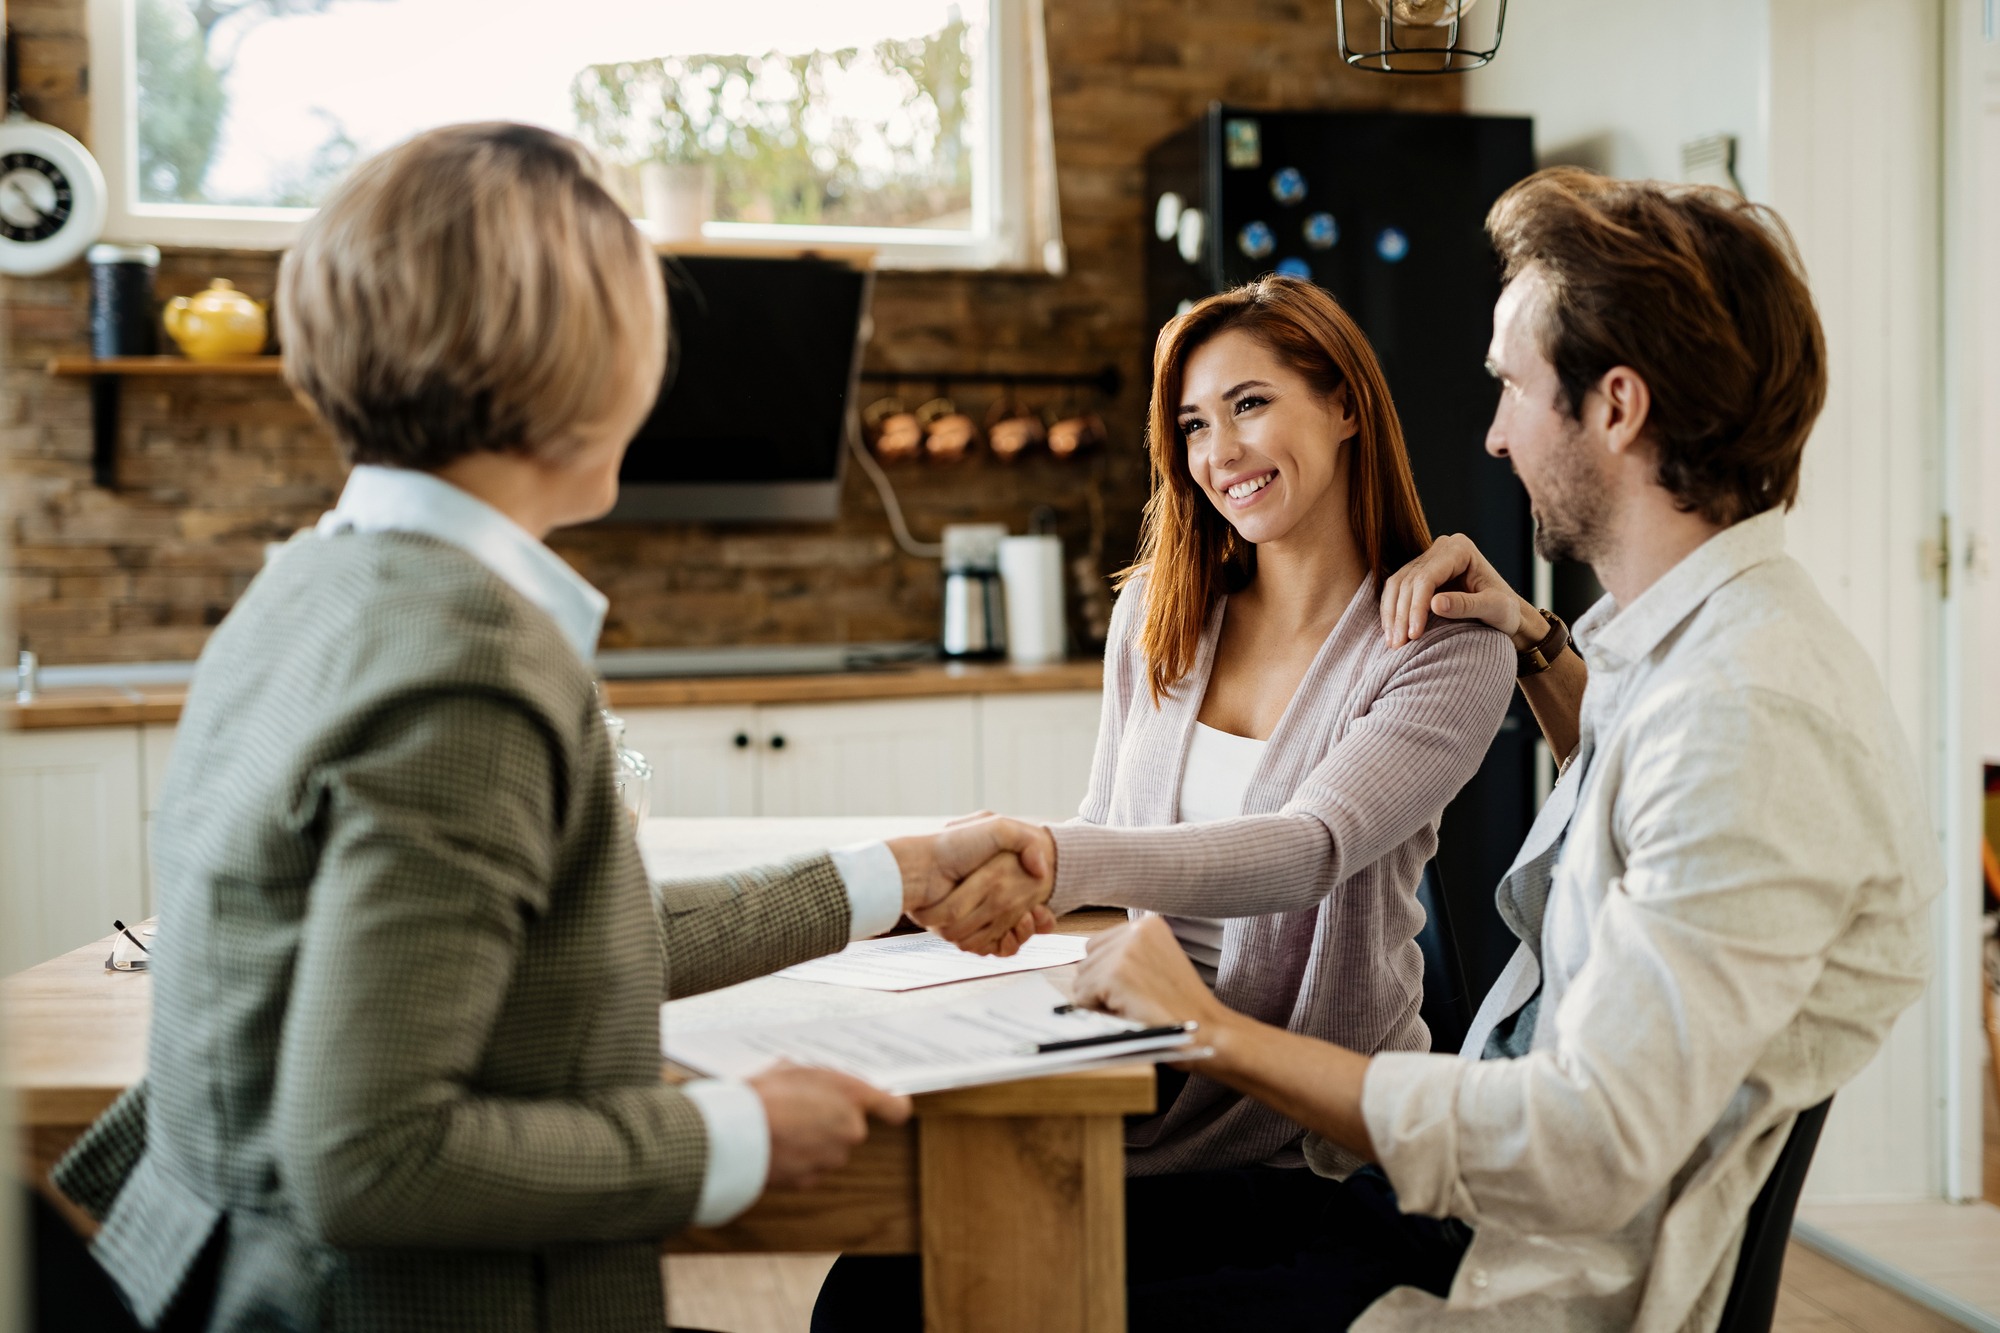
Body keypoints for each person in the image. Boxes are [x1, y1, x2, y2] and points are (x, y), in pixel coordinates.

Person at [46, 123, 1045, 1333]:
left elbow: (558, 946)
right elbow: (369, 1157)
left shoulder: (311, 583)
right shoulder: (463, 664)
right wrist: (730, 1132)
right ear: (585, 361)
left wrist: (891, 876)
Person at [1067, 167, 1939, 1331]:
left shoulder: (1745, 717)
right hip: (1437, 1211)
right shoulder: (1689, 655)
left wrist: (1216, 1033)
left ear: (1615, 407)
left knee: (936, 1301)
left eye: (1512, 386)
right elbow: (1615, 793)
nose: (1490, 433)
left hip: (1496, 1277)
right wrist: (1534, 638)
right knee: (899, 1286)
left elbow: (1581, 1145)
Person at [815, 277, 1516, 1329]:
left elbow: (1308, 848)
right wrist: (982, 884)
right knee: (869, 1290)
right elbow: (1109, 835)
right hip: (1130, 1084)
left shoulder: (1442, 647)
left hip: (1308, 1155)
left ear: (1343, 405)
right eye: (1192, 424)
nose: (1219, 452)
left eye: (1249, 404)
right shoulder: (1159, 609)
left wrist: (1052, 854)